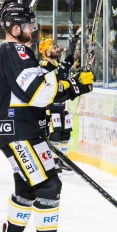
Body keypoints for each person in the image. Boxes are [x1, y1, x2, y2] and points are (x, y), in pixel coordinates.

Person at [0, 2, 93, 232]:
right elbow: (38, 93)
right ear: (14, 28)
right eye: (27, 25)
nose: (32, 30)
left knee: (26, 187)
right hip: (19, 132)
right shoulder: (15, 50)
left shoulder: (11, 51)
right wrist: (74, 87)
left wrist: (69, 84)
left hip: (19, 131)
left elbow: (38, 87)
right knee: (48, 186)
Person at [37, 37, 74, 175]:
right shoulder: (43, 66)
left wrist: (69, 64)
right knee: (55, 133)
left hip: (62, 105)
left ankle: (64, 160)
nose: (56, 49)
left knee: (65, 133)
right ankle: (53, 162)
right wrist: (65, 66)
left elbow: (63, 76)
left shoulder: (57, 64)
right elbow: (55, 79)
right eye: (53, 48)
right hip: (50, 107)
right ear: (46, 52)